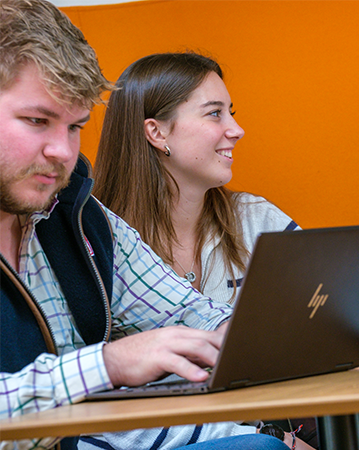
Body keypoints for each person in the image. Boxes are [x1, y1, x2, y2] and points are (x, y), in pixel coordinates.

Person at [0, 2, 293, 450]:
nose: (64, 151)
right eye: (37, 121)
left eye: (76, 126)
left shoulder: (80, 218)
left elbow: (188, 315)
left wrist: (266, 337)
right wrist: (107, 364)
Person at [85, 52, 315, 450]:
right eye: (214, 114)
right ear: (157, 133)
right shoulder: (95, 240)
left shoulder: (257, 220)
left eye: (231, 112)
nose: (237, 129)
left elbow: (327, 315)